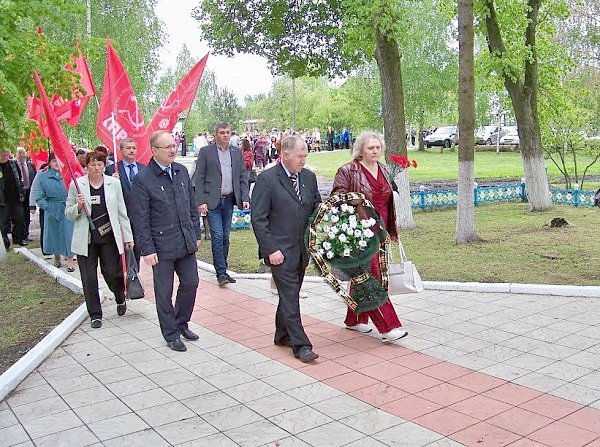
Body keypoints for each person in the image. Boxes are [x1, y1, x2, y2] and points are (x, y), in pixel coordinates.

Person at [331, 131, 408, 342]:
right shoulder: (348, 171)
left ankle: (354, 319)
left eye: (377, 147)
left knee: (364, 274)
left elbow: (389, 196)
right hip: (360, 233)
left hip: (381, 230)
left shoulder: (384, 169)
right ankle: (389, 326)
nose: (375, 151)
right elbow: (336, 200)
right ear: (360, 150)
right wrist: (352, 201)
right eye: (370, 148)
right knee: (371, 277)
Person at [251, 135, 321, 363]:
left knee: (289, 294)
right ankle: (301, 345)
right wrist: (270, 248)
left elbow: (316, 205)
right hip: (279, 250)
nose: (304, 160)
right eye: (300, 156)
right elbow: (258, 218)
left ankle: (282, 334)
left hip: (301, 248)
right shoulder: (268, 179)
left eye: (305, 156)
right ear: (285, 155)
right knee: (291, 296)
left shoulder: (308, 177)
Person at [131, 130, 201, 352]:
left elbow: (192, 205)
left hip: (185, 240)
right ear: (154, 151)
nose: (173, 150)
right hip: (160, 246)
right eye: (167, 147)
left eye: (174, 145)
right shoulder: (143, 179)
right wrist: (147, 248)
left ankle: (181, 322)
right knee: (164, 291)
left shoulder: (180, 171)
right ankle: (170, 333)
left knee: (191, 282)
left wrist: (196, 233)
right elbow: (140, 217)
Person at [65, 151, 133, 328]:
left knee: (112, 273)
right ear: (86, 165)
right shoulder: (77, 185)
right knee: (88, 278)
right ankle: (95, 314)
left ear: (104, 165)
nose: (96, 168)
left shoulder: (114, 184)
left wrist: (128, 236)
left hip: (109, 238)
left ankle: (119, 296)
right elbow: (68, 213)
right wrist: (78, 206)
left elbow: (121, 212)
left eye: (100, 164)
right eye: (93, 164)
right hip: (86, 240)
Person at [195, 122, 250, 287]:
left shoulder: (236, 152)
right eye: (222, 132)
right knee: (217, 236)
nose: (225, 135)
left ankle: (223, 269)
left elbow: (242, 176)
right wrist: (201, 201)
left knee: (226, 237)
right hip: (212, 201)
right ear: (215, 134)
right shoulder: (206, 152)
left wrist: (245, 197)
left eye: (228, 132)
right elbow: (199, 178)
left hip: (229, 200)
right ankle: (220, 273)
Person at [104, 138, 146, 266]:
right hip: (121, 216)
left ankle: (134, 275)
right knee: (121, 249)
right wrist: (111, 181)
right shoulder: (112, 169)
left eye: (133, 148)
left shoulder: (143, 168)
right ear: (121, 150)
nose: (131, 150)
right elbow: (105, 192)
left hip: (139, 216)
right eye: (128, 148)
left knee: (137, 249)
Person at [36, 153, 76, 271]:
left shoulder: (69, 175)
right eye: (54, 161)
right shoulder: (43, 177)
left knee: (69, 234)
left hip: (68, 207)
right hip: (52, 208)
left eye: (59, 161)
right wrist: (48, 207)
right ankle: (56, 256)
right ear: (49, 162)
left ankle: (70, 259)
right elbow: (39, 197)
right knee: (54, 234)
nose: (57, 164)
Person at [0, 148, 26, 249]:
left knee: (20, 219)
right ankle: (5, 243)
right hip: (3, 200)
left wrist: (21, 193)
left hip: (15, 198)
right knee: (2, 223)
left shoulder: (13, 164)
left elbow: (19, 178)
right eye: (3, 155)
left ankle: (18, 239)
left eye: (7, 155)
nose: (5, 157)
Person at [15, 147, 36, 241]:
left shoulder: (30, 165)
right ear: (16, 154)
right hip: (18, 194)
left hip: (29, 193)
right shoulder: (13, 165)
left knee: (27, 214)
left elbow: (34, 179)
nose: (22, 155)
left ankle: (26, 235)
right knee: (19, 215)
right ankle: (18, 236)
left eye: (23, 153)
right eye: (20, 153)